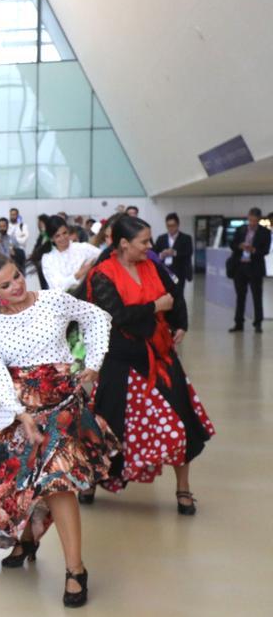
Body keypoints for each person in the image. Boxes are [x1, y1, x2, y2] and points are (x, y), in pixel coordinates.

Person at [0, 241, 116, 608]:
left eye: (16, 275)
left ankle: (75, 570)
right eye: (5, 285)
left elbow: (96, 317)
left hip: (62, 406)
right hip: (20, 413)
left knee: (59, 484)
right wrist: (19, 413)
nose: (16, 285)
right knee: (21, 484)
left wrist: (93, 363)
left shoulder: (54, 300)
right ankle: (27, 538)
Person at [85, 216, 215, 512]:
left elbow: (174, 294)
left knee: (181, 420)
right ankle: (92, 479)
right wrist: (155, 307)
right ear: (123, 243)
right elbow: (116, 316)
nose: (149, 246)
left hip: (159, 354)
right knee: (107, 425)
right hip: (120, 361)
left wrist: (179, 322)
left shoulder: (152, 266)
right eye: (144, 241)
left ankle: (183, 488)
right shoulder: (102, 274)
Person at [227, 207, 270, 333]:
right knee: (240, 296)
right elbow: (232, 244)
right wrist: (239, 246)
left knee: (257, 296)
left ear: (259, 220)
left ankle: (258, 323)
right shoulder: (241, 229)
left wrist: (253, 250)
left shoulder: (265, 232)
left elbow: (265, 250)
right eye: (250, 220)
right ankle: (238, 323)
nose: (252, 223)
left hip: (255, 267)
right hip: (240, 267)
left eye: (254, 221)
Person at [38, 216, 101, 293]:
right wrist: (79, 273)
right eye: (57, 236)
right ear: (51, 239)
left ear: (68, 231)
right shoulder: (48, 259)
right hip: (64, 301)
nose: (63, 238)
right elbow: (56, 288)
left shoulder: (83, 248)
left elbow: (102, 256)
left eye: (64, 233)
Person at [153, 212, 193, 295]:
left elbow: (188, 253)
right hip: (164, 272)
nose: (171, 228)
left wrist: (174, 253)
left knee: (178, 295)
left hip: (179, 272)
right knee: (164, 294)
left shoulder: (186, 238)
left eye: (173, 225)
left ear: (178, 225)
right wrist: (162, 255)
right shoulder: (161, 238)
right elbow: (154, 254)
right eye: (168, 226)